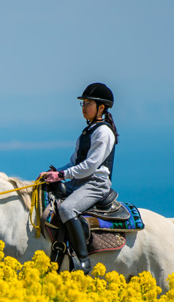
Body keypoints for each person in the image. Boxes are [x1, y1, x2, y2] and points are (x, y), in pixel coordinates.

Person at [41, 82, 119, 274]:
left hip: (95, 184)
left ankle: (83, 260)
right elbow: (74, 163)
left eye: (88, 103)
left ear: (101, 107)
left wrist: (61, 175)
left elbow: (90, 166)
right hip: (79, 182)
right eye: (83, 103)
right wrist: (52, 174)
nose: (84, 107)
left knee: (67, 209)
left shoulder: (103, 132)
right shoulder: (87, 132)